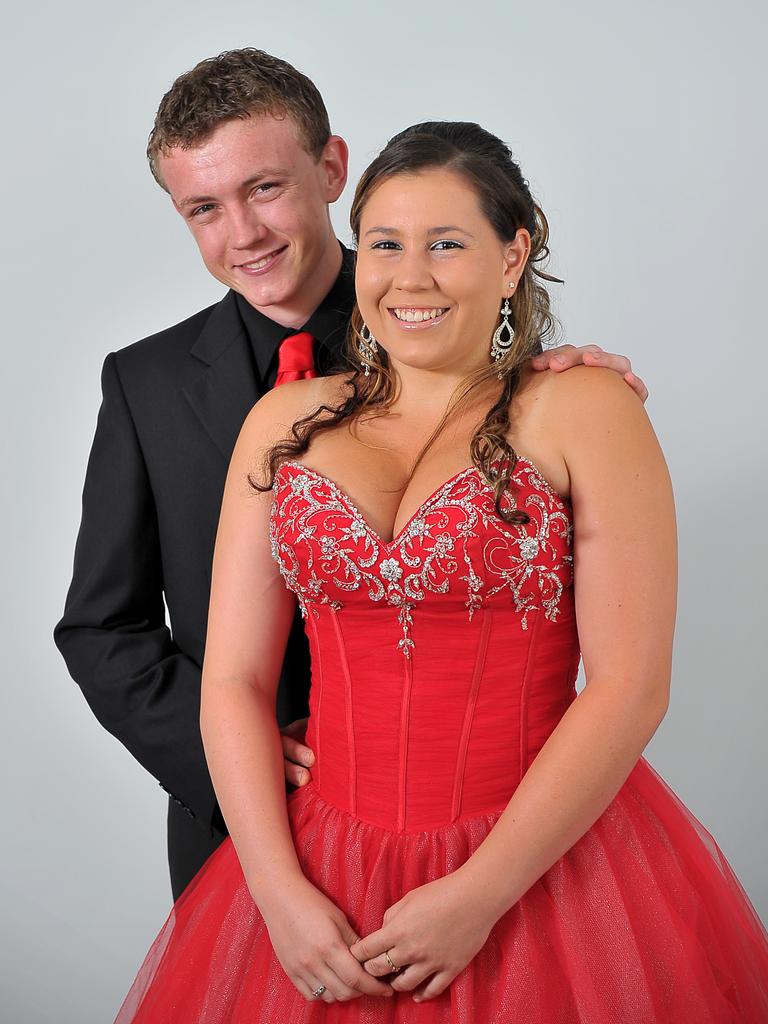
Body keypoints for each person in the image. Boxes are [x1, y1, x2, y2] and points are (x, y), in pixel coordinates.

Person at [113, 121, 768, 1022]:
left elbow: (628, 687)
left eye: (446, 243)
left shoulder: (583, 407)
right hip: (317, 871)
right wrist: (276, 892)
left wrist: (478, 896)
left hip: (538, 864)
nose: (409, 275)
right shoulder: (282, 424)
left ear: (514, 255)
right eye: (384, 243)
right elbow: (231, 677)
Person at [53, 49, 647, 902]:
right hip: (242, 829)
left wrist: (556, 376)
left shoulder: (458, 336)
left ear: (332, 168)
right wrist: (244, 762)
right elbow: (102, 626)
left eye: (264, 189)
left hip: (488, 832)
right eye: (203, 210)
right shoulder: (143, 384)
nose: (244, 235)